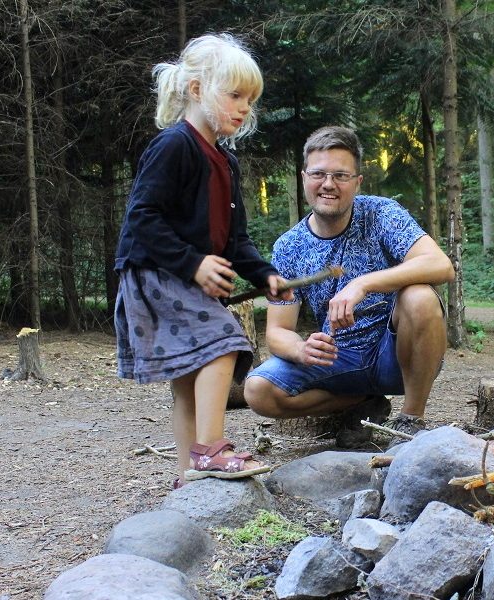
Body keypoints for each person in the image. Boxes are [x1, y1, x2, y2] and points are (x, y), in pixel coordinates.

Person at [114, 34, 293, 488]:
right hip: (156, 276)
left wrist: (265, 274)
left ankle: (187, 475)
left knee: (190, 376)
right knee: (225, 343)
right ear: (196, 90)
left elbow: (237, 241)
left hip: (181, 277)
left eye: (250, 101)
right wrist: (193, 263)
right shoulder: (175, 146)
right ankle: (212, 450)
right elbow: (142, 219)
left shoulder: (226, 162)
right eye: (234, 95)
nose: (243, 108)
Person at [244, 126, 455, 448]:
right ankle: (363, 401)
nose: (328, 184)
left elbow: (440, 265)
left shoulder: (382, 213)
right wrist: (300, 348)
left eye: (341, 176)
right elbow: (277, 331)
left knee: (420, 297)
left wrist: (362, 283)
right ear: (303, 178)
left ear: (357, 182)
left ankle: (411, 420)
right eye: (319, 174)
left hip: (397, 356)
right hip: (337, 360)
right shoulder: (289, 246)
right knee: (258, 391)